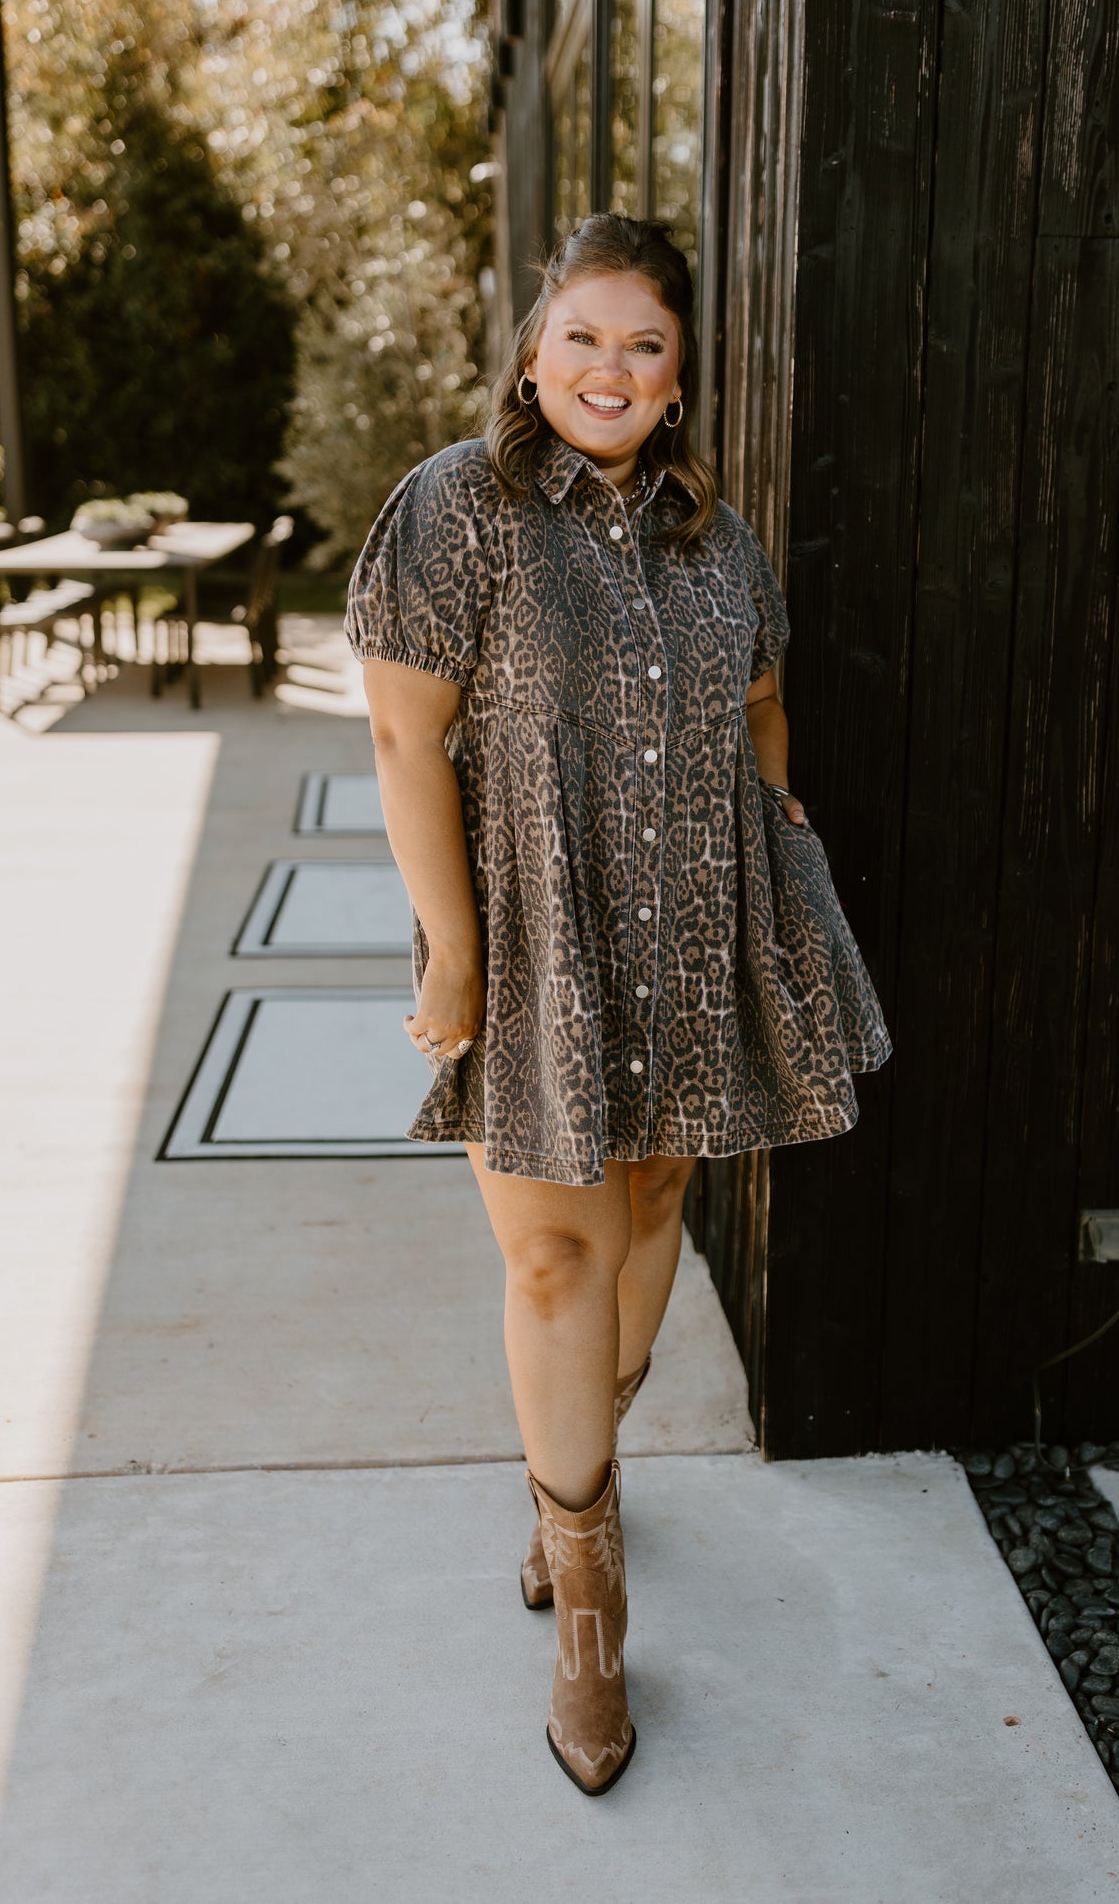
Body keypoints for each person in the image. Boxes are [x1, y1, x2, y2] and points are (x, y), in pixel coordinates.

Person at [345, 212, 892, 1795]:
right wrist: (452, 946)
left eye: (643, 344)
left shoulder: (719, 541)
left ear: (677, 378)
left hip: (695, 936)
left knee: (654, 1208)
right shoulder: (461, 508)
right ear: (533, 353)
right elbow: (402, 745)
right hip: (531, 938)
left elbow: (766, 702)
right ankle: (589, 1587)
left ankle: (569, 1472)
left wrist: (776, 825)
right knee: (549, 1249)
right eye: (581, 334)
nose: (609, 366)